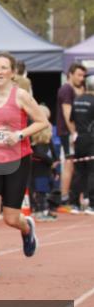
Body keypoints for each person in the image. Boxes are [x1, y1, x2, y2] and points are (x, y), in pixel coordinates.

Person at [0, 52, 50, 280]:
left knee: (11, 218)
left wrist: (19, 134)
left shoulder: (21, 96)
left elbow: (42, 122)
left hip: (17, 159)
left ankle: (27, 229)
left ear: (12, 72)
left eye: (3, 67)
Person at [56, 63, 87, 209]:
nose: (82, 78)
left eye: (83, 76)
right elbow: (67, 114)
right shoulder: (66, 90)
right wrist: (75, 133)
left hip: (74, 133)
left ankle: (74, 197)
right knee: (68, 165)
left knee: (76, 165)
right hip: (67, 133)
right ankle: (64, 199)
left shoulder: (76, 89)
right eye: (79, 75)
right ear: (70, 74)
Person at [68, 73, 94, 215]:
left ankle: (74, 203)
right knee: (92, 171)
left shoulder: (77, 100)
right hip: (91, 139)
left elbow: (71, 120)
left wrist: (74, 134)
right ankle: (91, 204)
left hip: (78, 139)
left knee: (78, 172)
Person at [30, 111, 59, 221]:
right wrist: (50, 161)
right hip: (39, 174)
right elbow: (41, 156)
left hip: (45, 173)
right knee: (40, 192)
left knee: (44, 192)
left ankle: (45, 210)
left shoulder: (47, 145)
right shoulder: (38, 146)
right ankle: (40, 211)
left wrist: (54, 170)